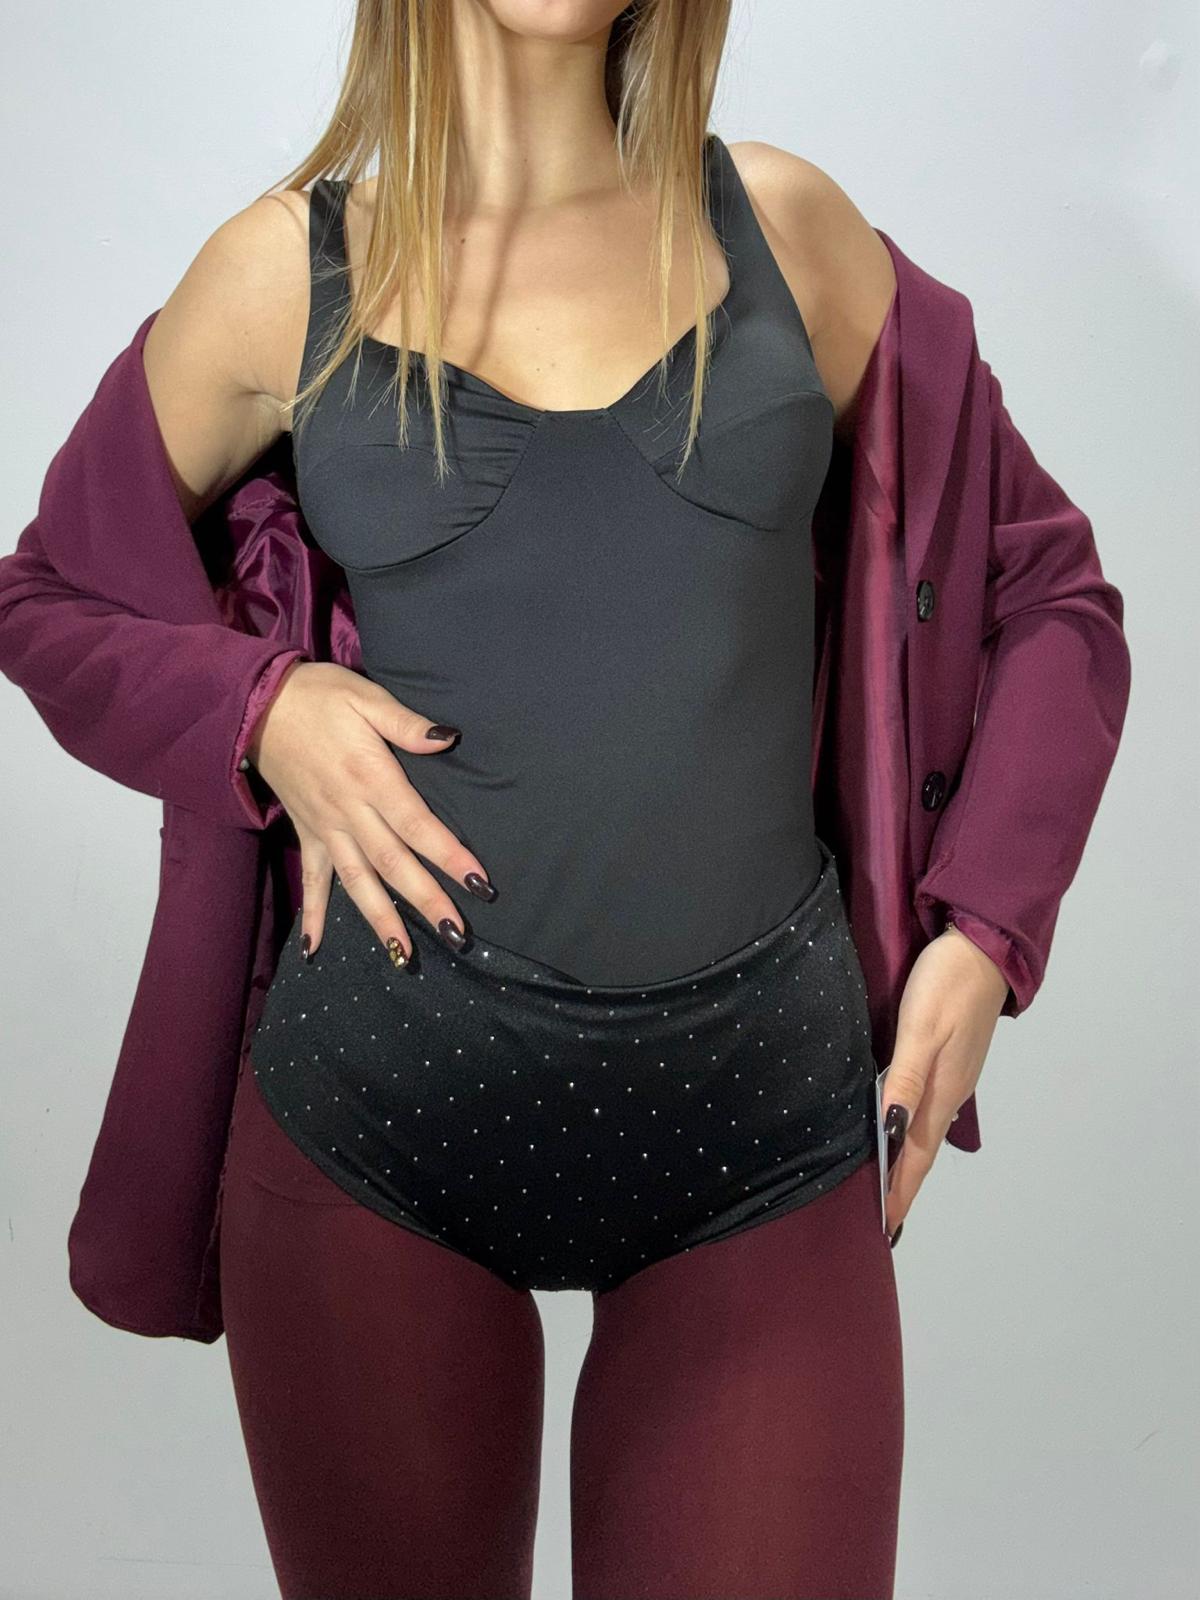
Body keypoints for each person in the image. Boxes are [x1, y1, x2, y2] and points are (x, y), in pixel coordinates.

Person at [25, 3, 1056, 1597]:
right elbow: (50, 597)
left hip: (765, 1142)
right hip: (377, 1135)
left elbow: (1046, 591)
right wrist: (260, 706)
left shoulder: (792, 232)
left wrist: (983, 934)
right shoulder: (284, 275)